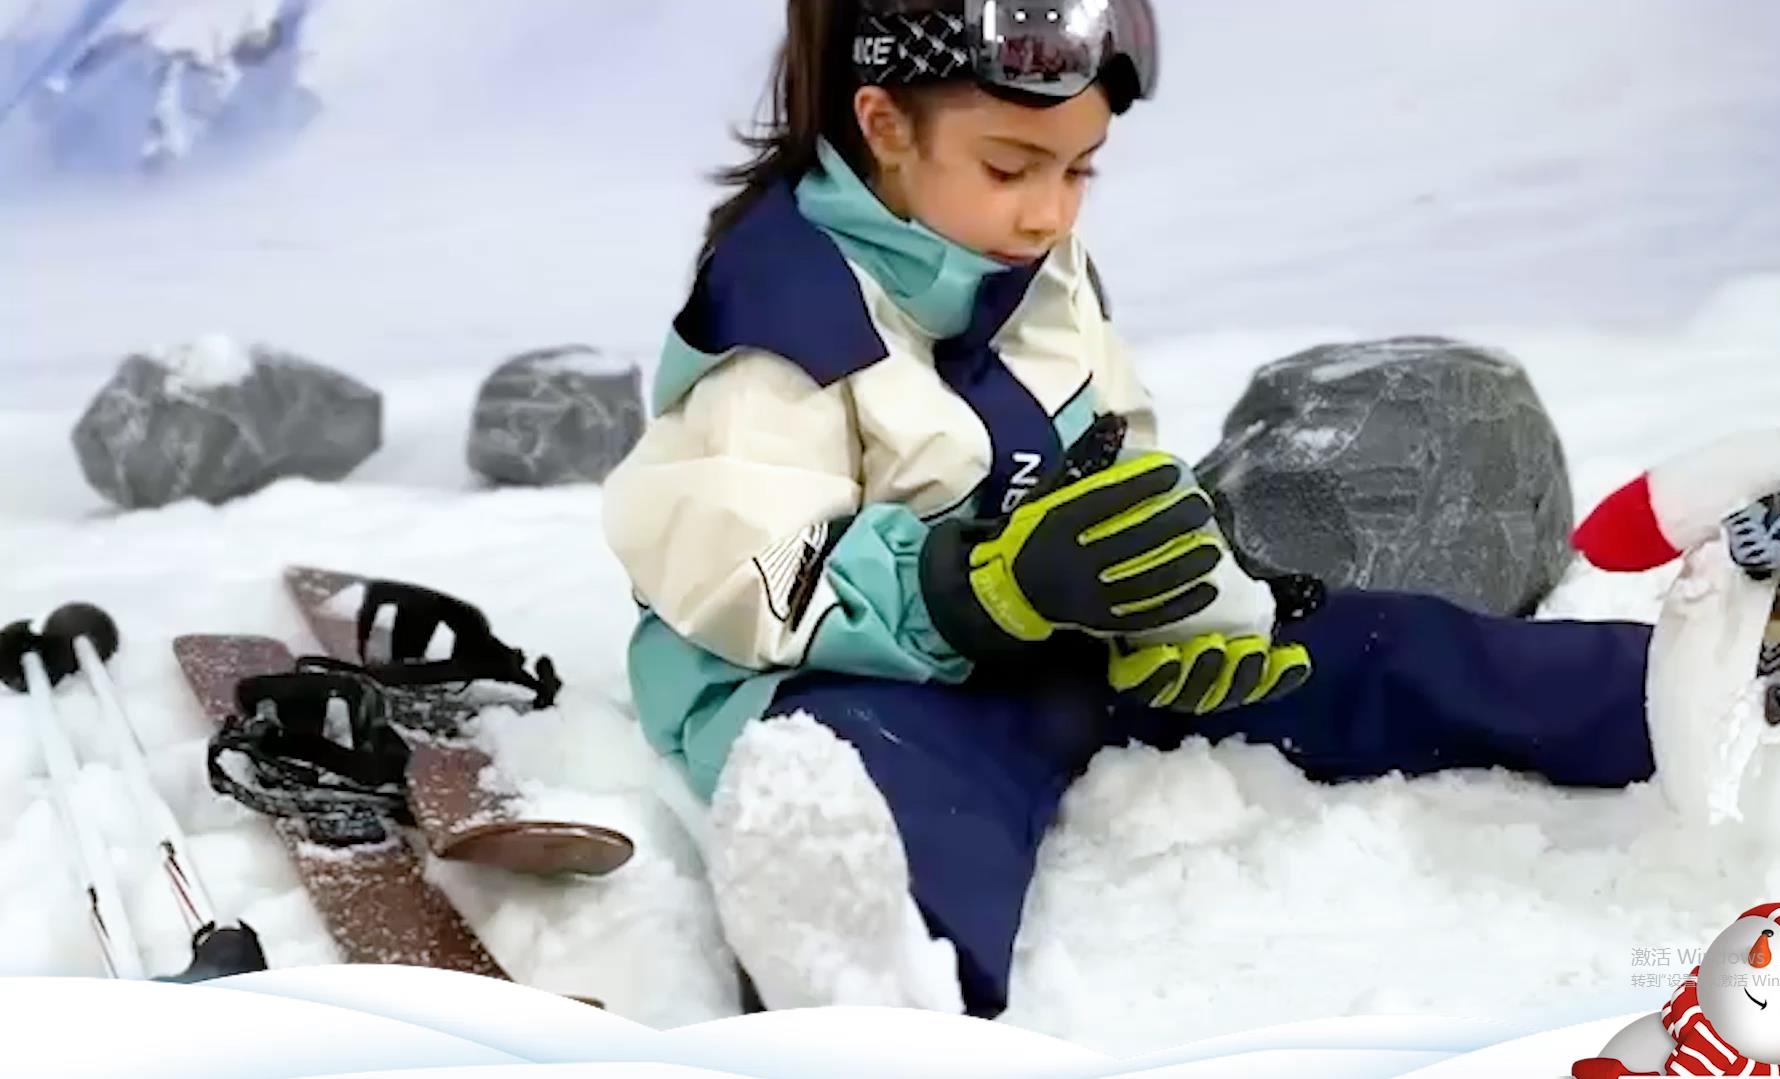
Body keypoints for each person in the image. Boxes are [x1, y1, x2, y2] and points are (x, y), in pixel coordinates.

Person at [602, 0, 1654, 1020]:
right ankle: (862, 978)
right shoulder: (785, 314)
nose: (1049, 211)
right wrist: (980, 586)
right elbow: (745, 566)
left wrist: (1178, 589)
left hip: (1062, 642)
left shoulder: (1031, 269)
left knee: (1371, 651)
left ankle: (1668, 692)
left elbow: (1118, 447)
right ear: (884, 125)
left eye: (1078, 170)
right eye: (1010, 167)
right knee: (898, 788)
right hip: (858, 680)